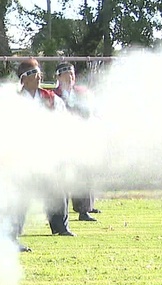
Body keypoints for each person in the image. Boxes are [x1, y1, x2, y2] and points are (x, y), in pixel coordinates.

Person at [13, 58, 73, 238]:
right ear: (23, 79)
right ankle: (14, 231)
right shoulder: (14, 101)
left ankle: (61, 226)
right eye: (33, 73)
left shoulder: (51, 98)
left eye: (38, 72)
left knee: (56, 189)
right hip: (23, 154)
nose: (38, 76)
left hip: (48, 152)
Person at [53, 62, 99, 222]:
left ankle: (84, 210)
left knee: (84, 174)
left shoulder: (82, 93)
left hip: (81, 138)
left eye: (71, 74)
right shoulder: (53, 95)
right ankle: (59, 214)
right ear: (58, 77)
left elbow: (91, 113)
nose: (69, 77)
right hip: (61, 141)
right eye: (65, 74)